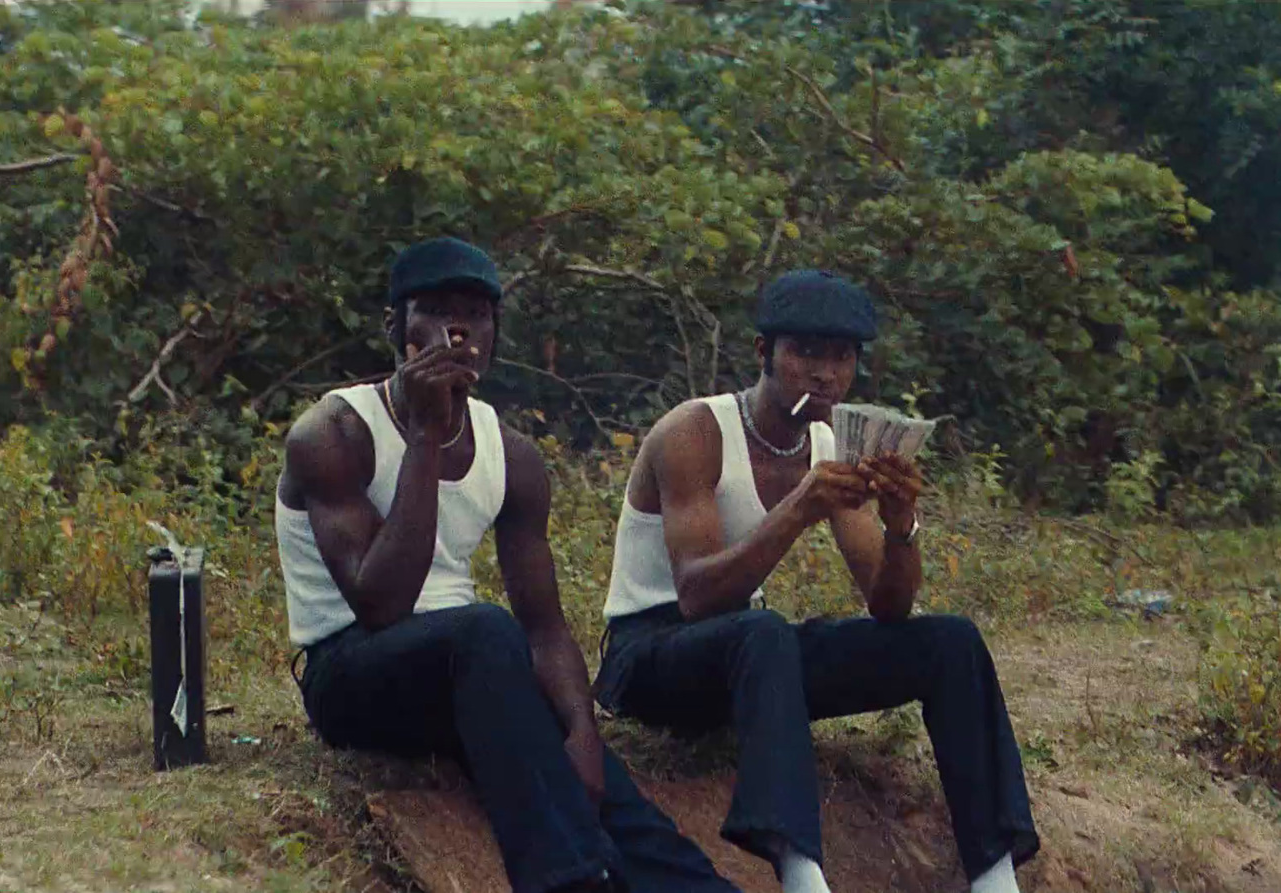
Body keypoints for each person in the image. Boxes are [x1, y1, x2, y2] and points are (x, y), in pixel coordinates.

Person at [276, 237, 739, 893]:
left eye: (475, 315)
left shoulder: (512, 454)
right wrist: (426, 435)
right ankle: (570, 881)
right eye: (434, 312)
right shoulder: (333, 433)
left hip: (472, 670)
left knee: (604, 790)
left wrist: (581, 728)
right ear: (393, 326)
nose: (457, 330)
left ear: (494, 333)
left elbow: (544, 625)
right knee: (484, 632)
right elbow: (379, 604)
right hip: (352, 672)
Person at [592, 270, 1040, 893]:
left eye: (841, 357)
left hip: (747, 654)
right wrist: (799, 508)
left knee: (950, 642)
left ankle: (994, 877)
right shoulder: (694, 433)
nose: (824, 374)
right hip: (649, 653)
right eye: (804, 353)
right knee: (763, 630)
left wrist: (901, 522)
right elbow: (696, 598)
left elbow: (888, 606)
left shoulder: (828, 443)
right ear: (763, 354)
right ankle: (802, 875)